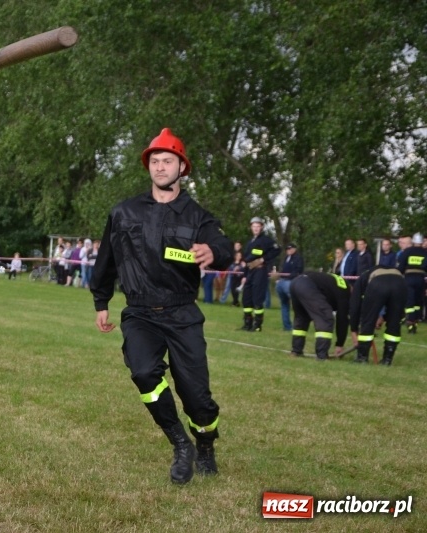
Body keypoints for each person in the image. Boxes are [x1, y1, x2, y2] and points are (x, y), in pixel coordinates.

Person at [90, 127, 231, 485]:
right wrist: (101, 300)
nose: (160, 167)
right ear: (148, 166)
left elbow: (223, 247)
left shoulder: (197, 215)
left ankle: (204, 441)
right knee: (143, 373)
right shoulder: (124, 212)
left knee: (197, 398)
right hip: (139, 311)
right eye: (155, 161)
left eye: (168, 161)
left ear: (182, 167)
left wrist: (213, 251)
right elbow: (106, 259)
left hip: (182, 313)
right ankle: (179, 442)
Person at [349, 266, 406, 365]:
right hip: (400, 283)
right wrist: (383, 317)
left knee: (368, 320)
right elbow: (397, 311)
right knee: (394, 322)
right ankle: (387, 360)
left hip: (378, 284)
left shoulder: (361, 280)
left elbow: (355, 306)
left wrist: (354, 330)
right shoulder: (387, 272)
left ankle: (362, 358)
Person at [289, 272, 351, 361]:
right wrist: (339, 344)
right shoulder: (345, 292)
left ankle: (296, 351)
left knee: (302, 318)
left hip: (296, 282)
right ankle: (322, 356)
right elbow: (342, 319)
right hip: (307, 285)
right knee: (325, 317)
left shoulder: (336, 283)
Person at [240, 217, 280, 332]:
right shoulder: (250, 242)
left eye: (258, 226)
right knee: (246, 298)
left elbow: (277, 249)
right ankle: (247, 323)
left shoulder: (266, 240)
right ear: (251, 227)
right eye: (254, 226)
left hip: (260, 271)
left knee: (258, 298)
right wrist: (244, 275)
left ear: (261, 227)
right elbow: (246, 260)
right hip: (250, 271)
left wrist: (264, 259)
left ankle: (257, 325)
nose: (256, 228)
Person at [396, 232, 426, 334]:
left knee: (410, 301)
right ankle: (416, 321)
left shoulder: (407, 251)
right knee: (418, 302)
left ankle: (410, 322)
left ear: (413, 241)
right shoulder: (425, 252)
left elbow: (400, 265)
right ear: (422, 242)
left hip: (409, 278)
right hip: (421, 279)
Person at [275, 243, 304, 331]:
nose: (289, 250)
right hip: (282, 281)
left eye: (290, 249)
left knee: (296, 304)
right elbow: (283, 270)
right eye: (287, 249)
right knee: (284, 304)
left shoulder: (298, 258)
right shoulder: (286, 258)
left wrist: (290, 276)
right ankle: (286, 326)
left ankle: (299, 324)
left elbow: (298, 270)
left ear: (295, 249)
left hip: (290, 282)